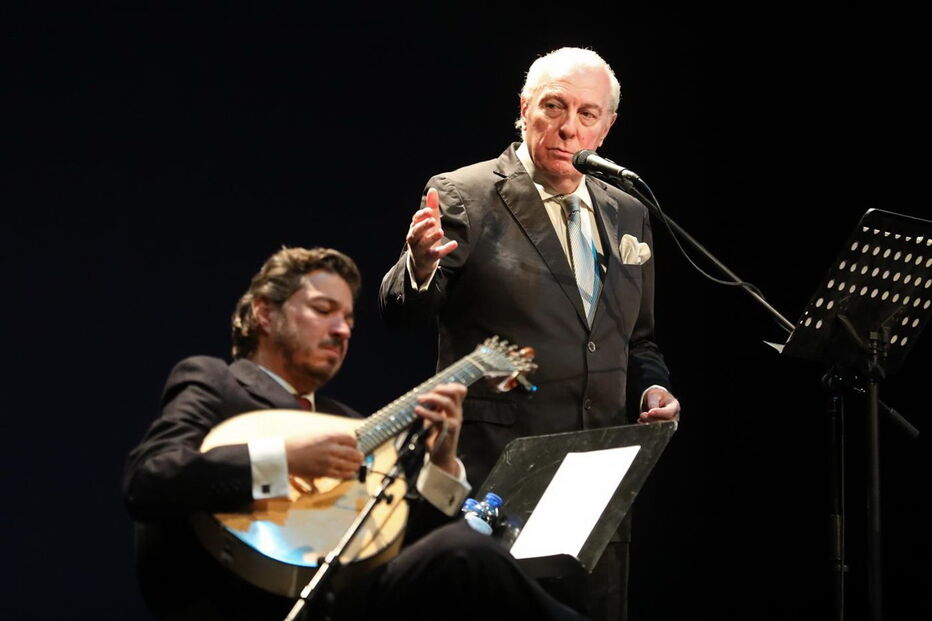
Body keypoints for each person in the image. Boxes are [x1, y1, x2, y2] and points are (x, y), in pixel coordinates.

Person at [379, 47, 681, 621]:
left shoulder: (628, 212)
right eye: (554, 107)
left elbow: (637, 339)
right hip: (495, 478)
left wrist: (652, 390)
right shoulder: (466, 194)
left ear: (608, 126)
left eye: (588, 114)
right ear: (524, 110)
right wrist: (417, 268)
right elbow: (400, 315)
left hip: (597, 484)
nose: (569, 127)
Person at [124, 246, 584, 621]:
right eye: (324, 310)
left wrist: (442, 463)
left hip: (343, 601)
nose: (343, 329)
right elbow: (151, 480)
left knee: (469, 555)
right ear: (265, 314)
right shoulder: (216, 383)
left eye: (349, 319)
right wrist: (284, 462)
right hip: (238, 601)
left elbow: (409, 548)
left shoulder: (347, 420)